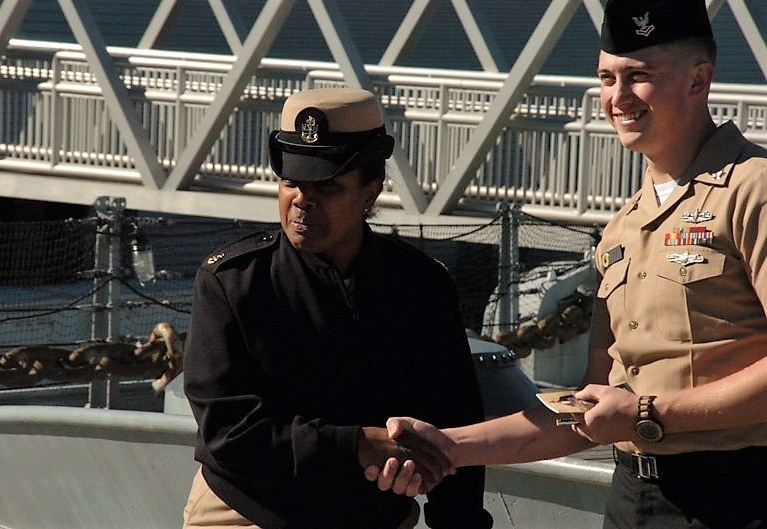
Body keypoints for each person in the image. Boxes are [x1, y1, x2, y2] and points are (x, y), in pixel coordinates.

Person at [367, 1, 767, 528]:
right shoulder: (624, 226)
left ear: (700, 80)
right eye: (606, 78)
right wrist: (449, 446)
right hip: (633, 499)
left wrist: (648, 414)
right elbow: (585, 412)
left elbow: (630, 411)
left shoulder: (751, 190)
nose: (617, 98)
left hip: (737, 496)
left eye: (638, 77)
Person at [181, 87, 492, 529]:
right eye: (290, 182)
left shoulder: (422, 287)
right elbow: (228, 433)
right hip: (249, 512)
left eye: (326, 186)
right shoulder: (233, 284)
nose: (301, 200)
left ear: (371, 191)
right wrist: (358, 445)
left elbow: (454, 418)